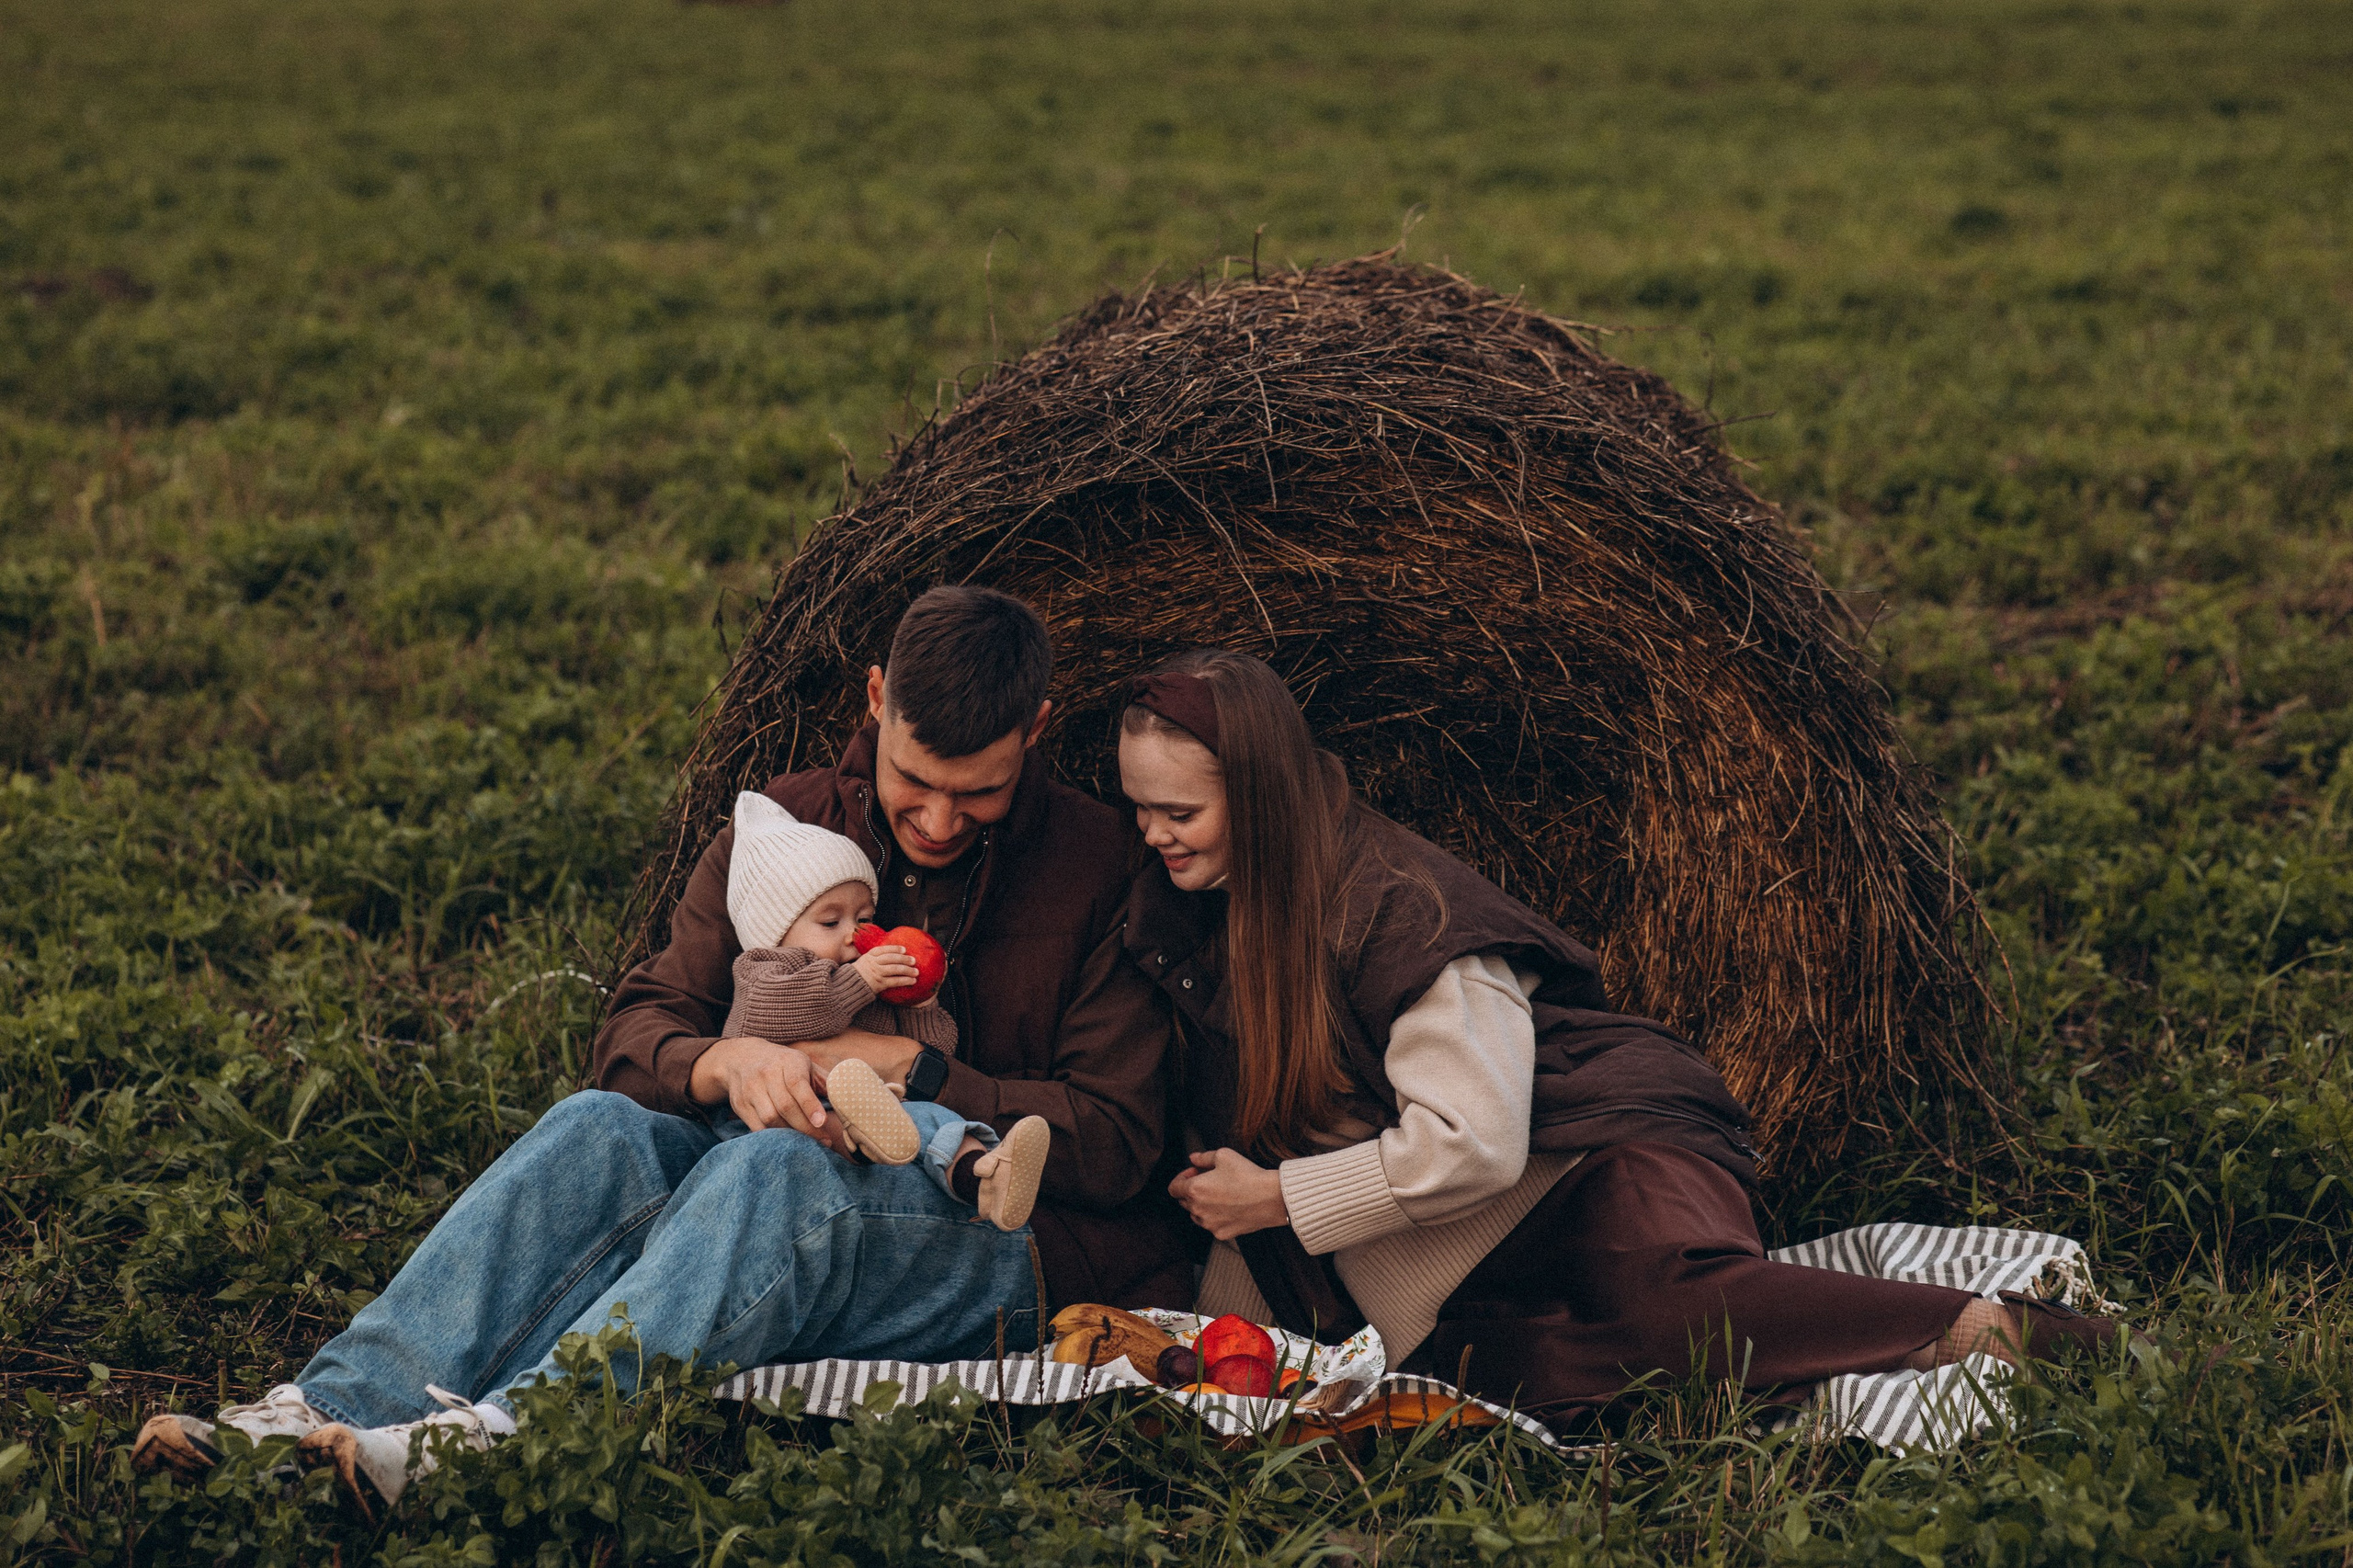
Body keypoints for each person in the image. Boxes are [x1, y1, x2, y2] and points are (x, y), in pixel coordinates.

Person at [133, 586, 1190, 1509]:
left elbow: (1119, 1143)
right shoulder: (783, 825)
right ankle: (323, 1410)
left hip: (994, 1236)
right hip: (759, 1166)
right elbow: (635, 1029)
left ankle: (506, 1442)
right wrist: (726, 1063)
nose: (939, 818)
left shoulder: (1102, 867)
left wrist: (910, 1068)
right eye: (917, 778)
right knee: (598, 1124)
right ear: (875, 699)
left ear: (1038, 729)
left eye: (981, 791)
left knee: (780, 1168)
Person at [1118, 649, 2120, 1433]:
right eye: (1139, 810)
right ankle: (1826, 1341)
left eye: (1179, 810)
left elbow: (1474, 1143)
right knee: (1530, 1379)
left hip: (1604, 1152)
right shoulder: (1212, 914)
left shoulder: (1400, 910)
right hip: (1480, 1238)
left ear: (1258, 798)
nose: (1155, 834)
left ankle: (1987, 1330)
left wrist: (1278, 1197)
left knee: (1652, 1306)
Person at [714, 789, 1051, 1228]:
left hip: (878, 1112)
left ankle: (986, 1178)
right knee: (844, 1120)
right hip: (775, 1118)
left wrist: (920, 1005)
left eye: (864, 918)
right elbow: (779, 1013)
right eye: (830, 922)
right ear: (773, 932)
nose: (854, 934)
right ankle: (866, 1139)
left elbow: (930, 1050)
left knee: (936, 1117)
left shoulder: (864, 979)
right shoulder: (765, 969)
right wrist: (861, 981)